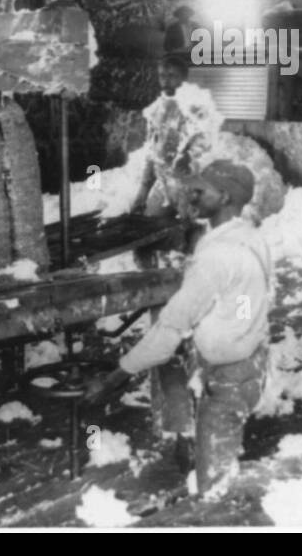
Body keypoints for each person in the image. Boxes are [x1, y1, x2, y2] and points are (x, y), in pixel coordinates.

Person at [85, 160, 272, 497]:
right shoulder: (250, 236)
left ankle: (224, 493)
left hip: (230, 378)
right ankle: (188, 438)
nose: (191, 196)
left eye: (200, 191)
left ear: (225, 197)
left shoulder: (216, 257)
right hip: (251, 362)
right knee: (174, 363)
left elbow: (166, 333)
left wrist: (113, 378)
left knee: (214, 490)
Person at [129, 54, 219, 218]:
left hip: (191, 184)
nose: (166, 81)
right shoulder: (157, 110)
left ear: (183, 78)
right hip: (165, 185)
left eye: (172, 76)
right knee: (149, 220)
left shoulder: (196, 107)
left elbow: (207, 147)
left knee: (192, 224)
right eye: (162, 76)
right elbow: (152, 154)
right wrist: (142, 191)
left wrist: (189, 157)